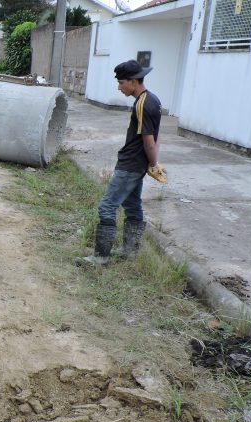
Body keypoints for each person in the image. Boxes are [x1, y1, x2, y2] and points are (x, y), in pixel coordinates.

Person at [78, 59, 166, 266]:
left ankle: (100, 257)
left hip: (131, 164)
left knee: (107, 207)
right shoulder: (154, 100)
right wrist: (152, 163)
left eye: (121, 83)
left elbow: (148, 140)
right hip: (138, 164)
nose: (119, 87)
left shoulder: (143, 103)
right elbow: (157, 135)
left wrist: (153, 163)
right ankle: (129, 253)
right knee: (133, 206)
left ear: (133, 82)